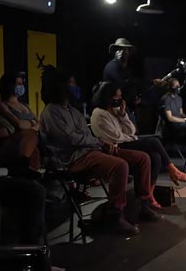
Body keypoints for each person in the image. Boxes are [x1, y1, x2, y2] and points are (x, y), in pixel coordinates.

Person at [39, 67, 161, 235]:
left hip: (91, 151)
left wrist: (100, 143)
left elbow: (86, 136)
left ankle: (142, 204)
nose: (75, 87)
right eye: (71, 83)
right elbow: (70, 139)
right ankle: (115, 216)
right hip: (73, 159)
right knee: (120, 166)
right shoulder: (51, 112)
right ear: (61, 86)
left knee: (143, 159)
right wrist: (101, 142)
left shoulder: (73, 111)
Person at [91, 83, 186, 193]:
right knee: (154, 141)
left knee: (156, 157)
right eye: (117, 96)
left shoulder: (116, 111)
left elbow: (131, 130)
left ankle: (149, 194)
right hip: (115, 147)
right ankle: (173, 171)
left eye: (121, 96)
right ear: (108, 96)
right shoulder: (99, 113)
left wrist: (122, 115)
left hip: (125, 141)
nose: (120, 99)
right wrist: (128, 134)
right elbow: (116, 137)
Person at [0, 72, 44, 176]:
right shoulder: (2, 105)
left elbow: (40, 123)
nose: (21, 86)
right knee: (31, 136)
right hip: (13, 142)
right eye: (18, 84)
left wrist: (30, 125)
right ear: (9, 85)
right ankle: (24, 167)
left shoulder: (25, 105)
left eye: (21, 84)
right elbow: (18, 124)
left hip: (30, 140)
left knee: (35, 147)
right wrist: (32, 124)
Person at [160, 77, 186, 141]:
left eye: (178, 86)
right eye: (175, 86)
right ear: (170, 87)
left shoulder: (179, 98)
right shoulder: (166, 99)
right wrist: (184, 120)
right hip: (172, 125)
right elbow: (170, 118)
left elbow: (181, 113)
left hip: (180, 122)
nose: (178, 88)